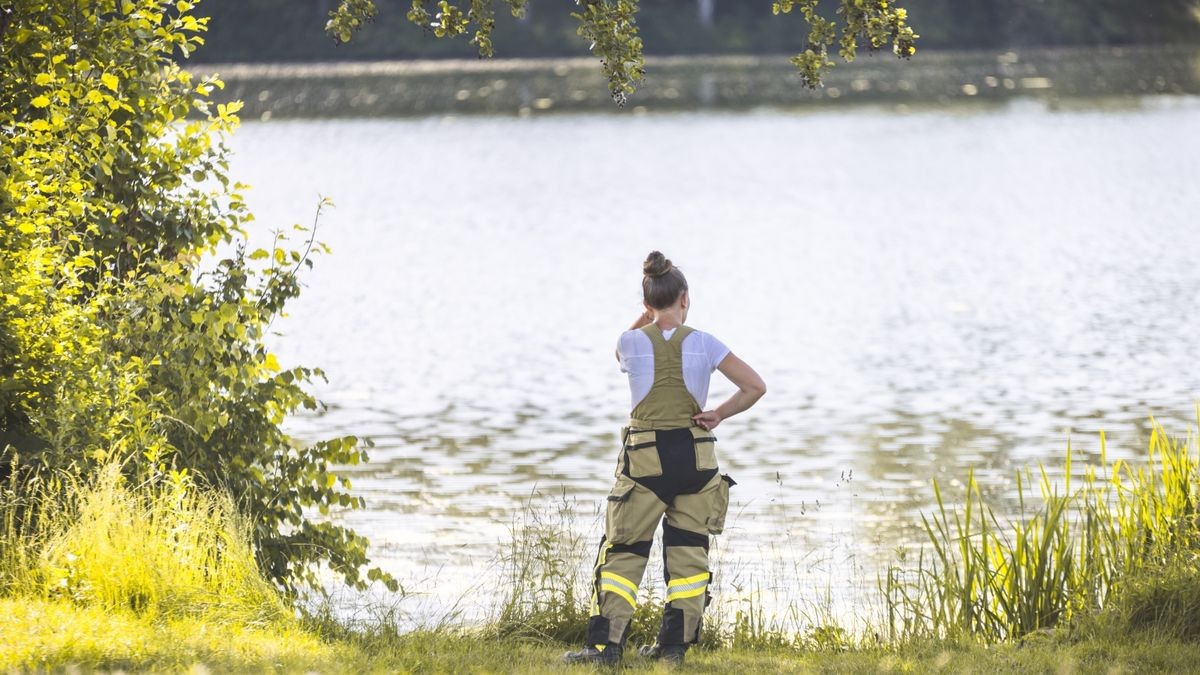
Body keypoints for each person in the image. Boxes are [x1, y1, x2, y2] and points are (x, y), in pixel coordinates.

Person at [563, 251, 767, 666]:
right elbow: (754, 387)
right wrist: (719, 413)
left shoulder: (630, 342)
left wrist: (647, 317)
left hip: (646, 460)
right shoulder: (706, 343)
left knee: (623, 552)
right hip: (696, 459)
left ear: (646, 304)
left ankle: (605, 648)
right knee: (689, 552)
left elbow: (622, 350)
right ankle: (673, 650)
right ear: (686, 298)